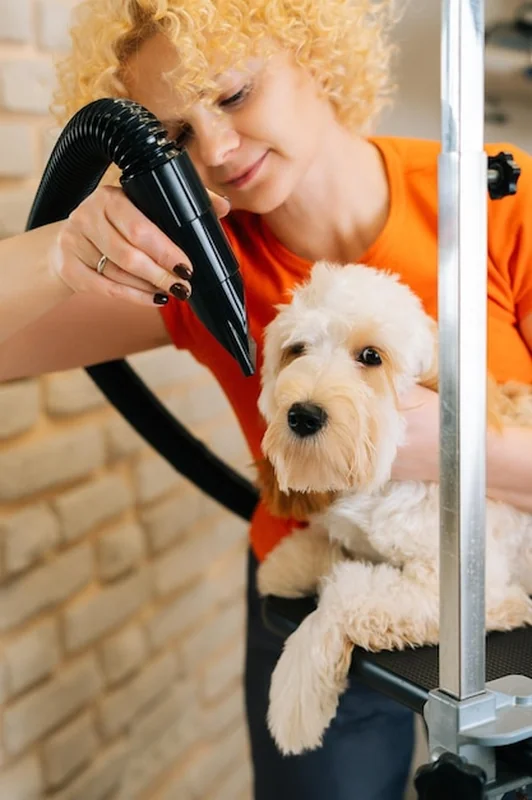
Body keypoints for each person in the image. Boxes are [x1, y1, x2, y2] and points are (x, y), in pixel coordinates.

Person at [1, 0, 531, 797]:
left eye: (234, 94)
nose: (214, 149)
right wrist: (61, 252)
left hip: (510, 605)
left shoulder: (493, 208)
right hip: (313, 610)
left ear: (312, 53)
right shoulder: (194, 270)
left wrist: (449, 448)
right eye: (175, 135)